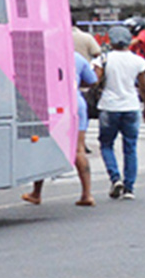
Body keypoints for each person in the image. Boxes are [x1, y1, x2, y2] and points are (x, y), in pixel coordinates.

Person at [25, 48, 99, 207]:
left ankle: (36, 193)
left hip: (52, 102)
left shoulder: (45, 56)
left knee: (44, 147)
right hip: (76, 102)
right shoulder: (77, 57)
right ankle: (87, 194)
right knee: (79, 149)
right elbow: (93, 80)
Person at [95, 26, 145, 199]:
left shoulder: (103, 59)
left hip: (109, 107)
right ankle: (129, 188)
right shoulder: (137, 61)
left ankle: (115, 178)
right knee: (130, 147)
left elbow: (95, 81)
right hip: (131, 106)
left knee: (106, 144)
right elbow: (143, 87)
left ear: (111, 41)